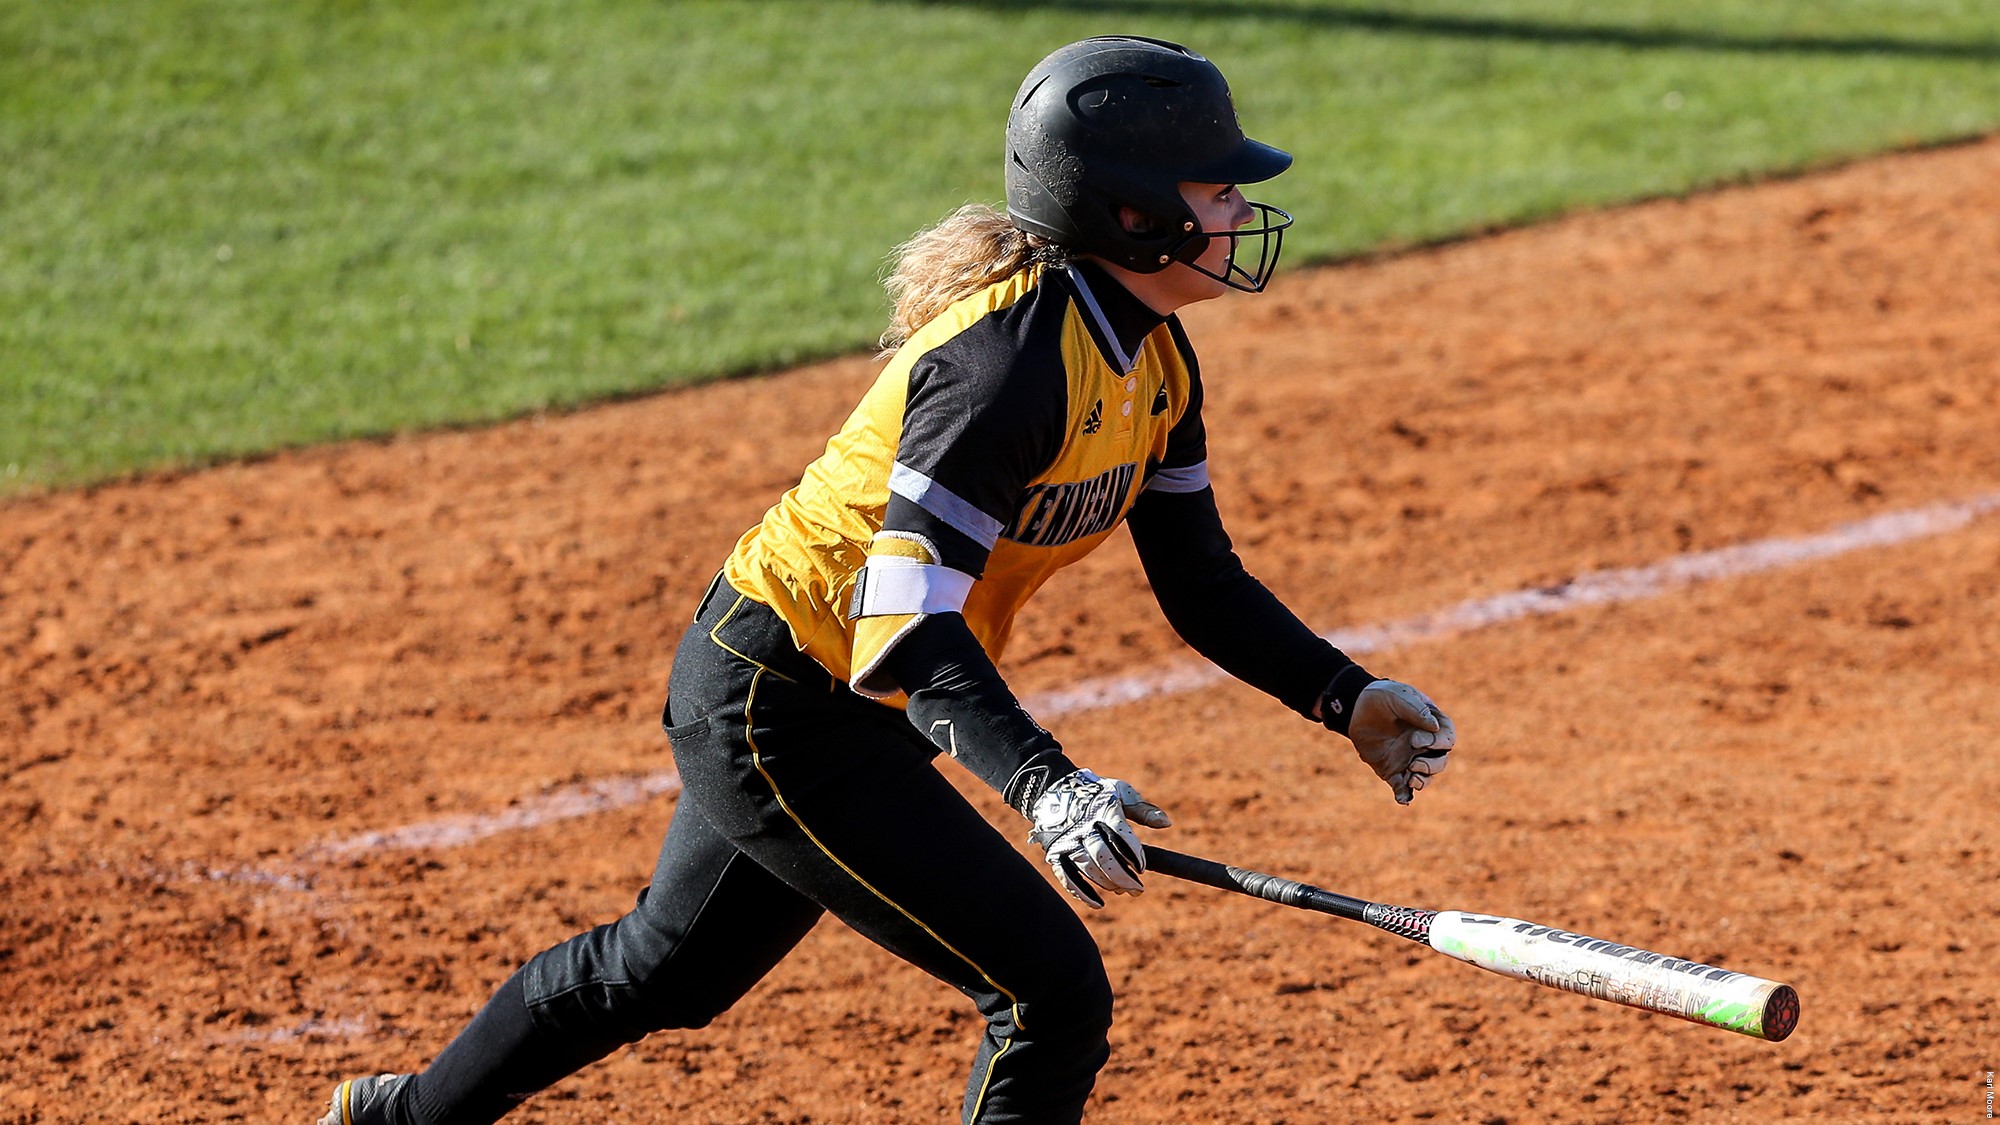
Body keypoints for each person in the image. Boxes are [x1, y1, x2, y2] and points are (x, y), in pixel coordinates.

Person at [319, 34, 1455, 1125]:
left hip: (878, 697)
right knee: (1046, 993)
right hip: (778, 696)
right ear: (1131, 214)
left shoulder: (1154, 358)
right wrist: (1047, 788)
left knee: (667, 968)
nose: (1242, 211)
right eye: (1219, 188)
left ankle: (397, 1119)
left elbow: (1201, 583)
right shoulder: (1005, 371)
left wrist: (1343, 696)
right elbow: (904, 625)